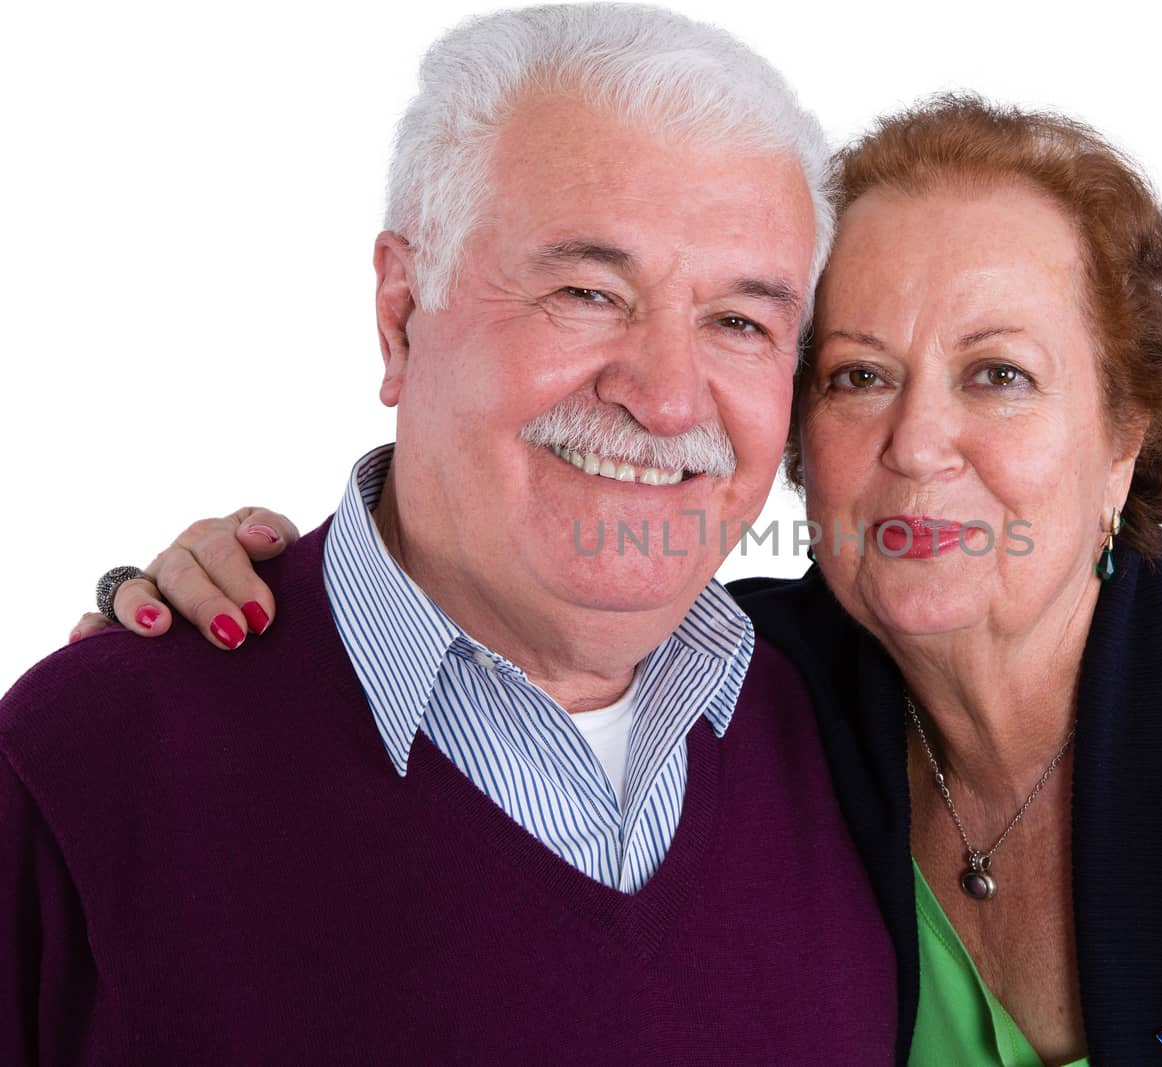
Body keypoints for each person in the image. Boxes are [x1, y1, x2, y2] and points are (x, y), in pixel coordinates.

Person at [82, 86, 1162, 1066]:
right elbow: (494, 578)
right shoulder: (748, 690)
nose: (918, 442)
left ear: (1129, 437)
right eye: (860, 373)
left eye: (998, 376)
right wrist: (243, 612)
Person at [0, 6, 903, 1064]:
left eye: (740, 322)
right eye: (587, 292)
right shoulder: (86, 761)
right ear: (400, 312)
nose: (666, 399)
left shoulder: (843, 730)